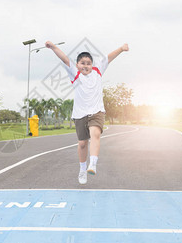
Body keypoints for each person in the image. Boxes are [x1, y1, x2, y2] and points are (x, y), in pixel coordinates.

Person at [45, 40, 129, 184]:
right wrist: (53, 47)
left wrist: (121, 48)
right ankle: (82, 169)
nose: (86, 65)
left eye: (88, 63)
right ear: (77, 65)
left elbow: (109, 58)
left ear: (92, 65)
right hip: (80, 113)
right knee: (83, 143)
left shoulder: (97, 71)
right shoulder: (74, 74)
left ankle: (93, 163)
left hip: (97, 111)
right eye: (82, 63)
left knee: (95, 134)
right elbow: (64, 58)